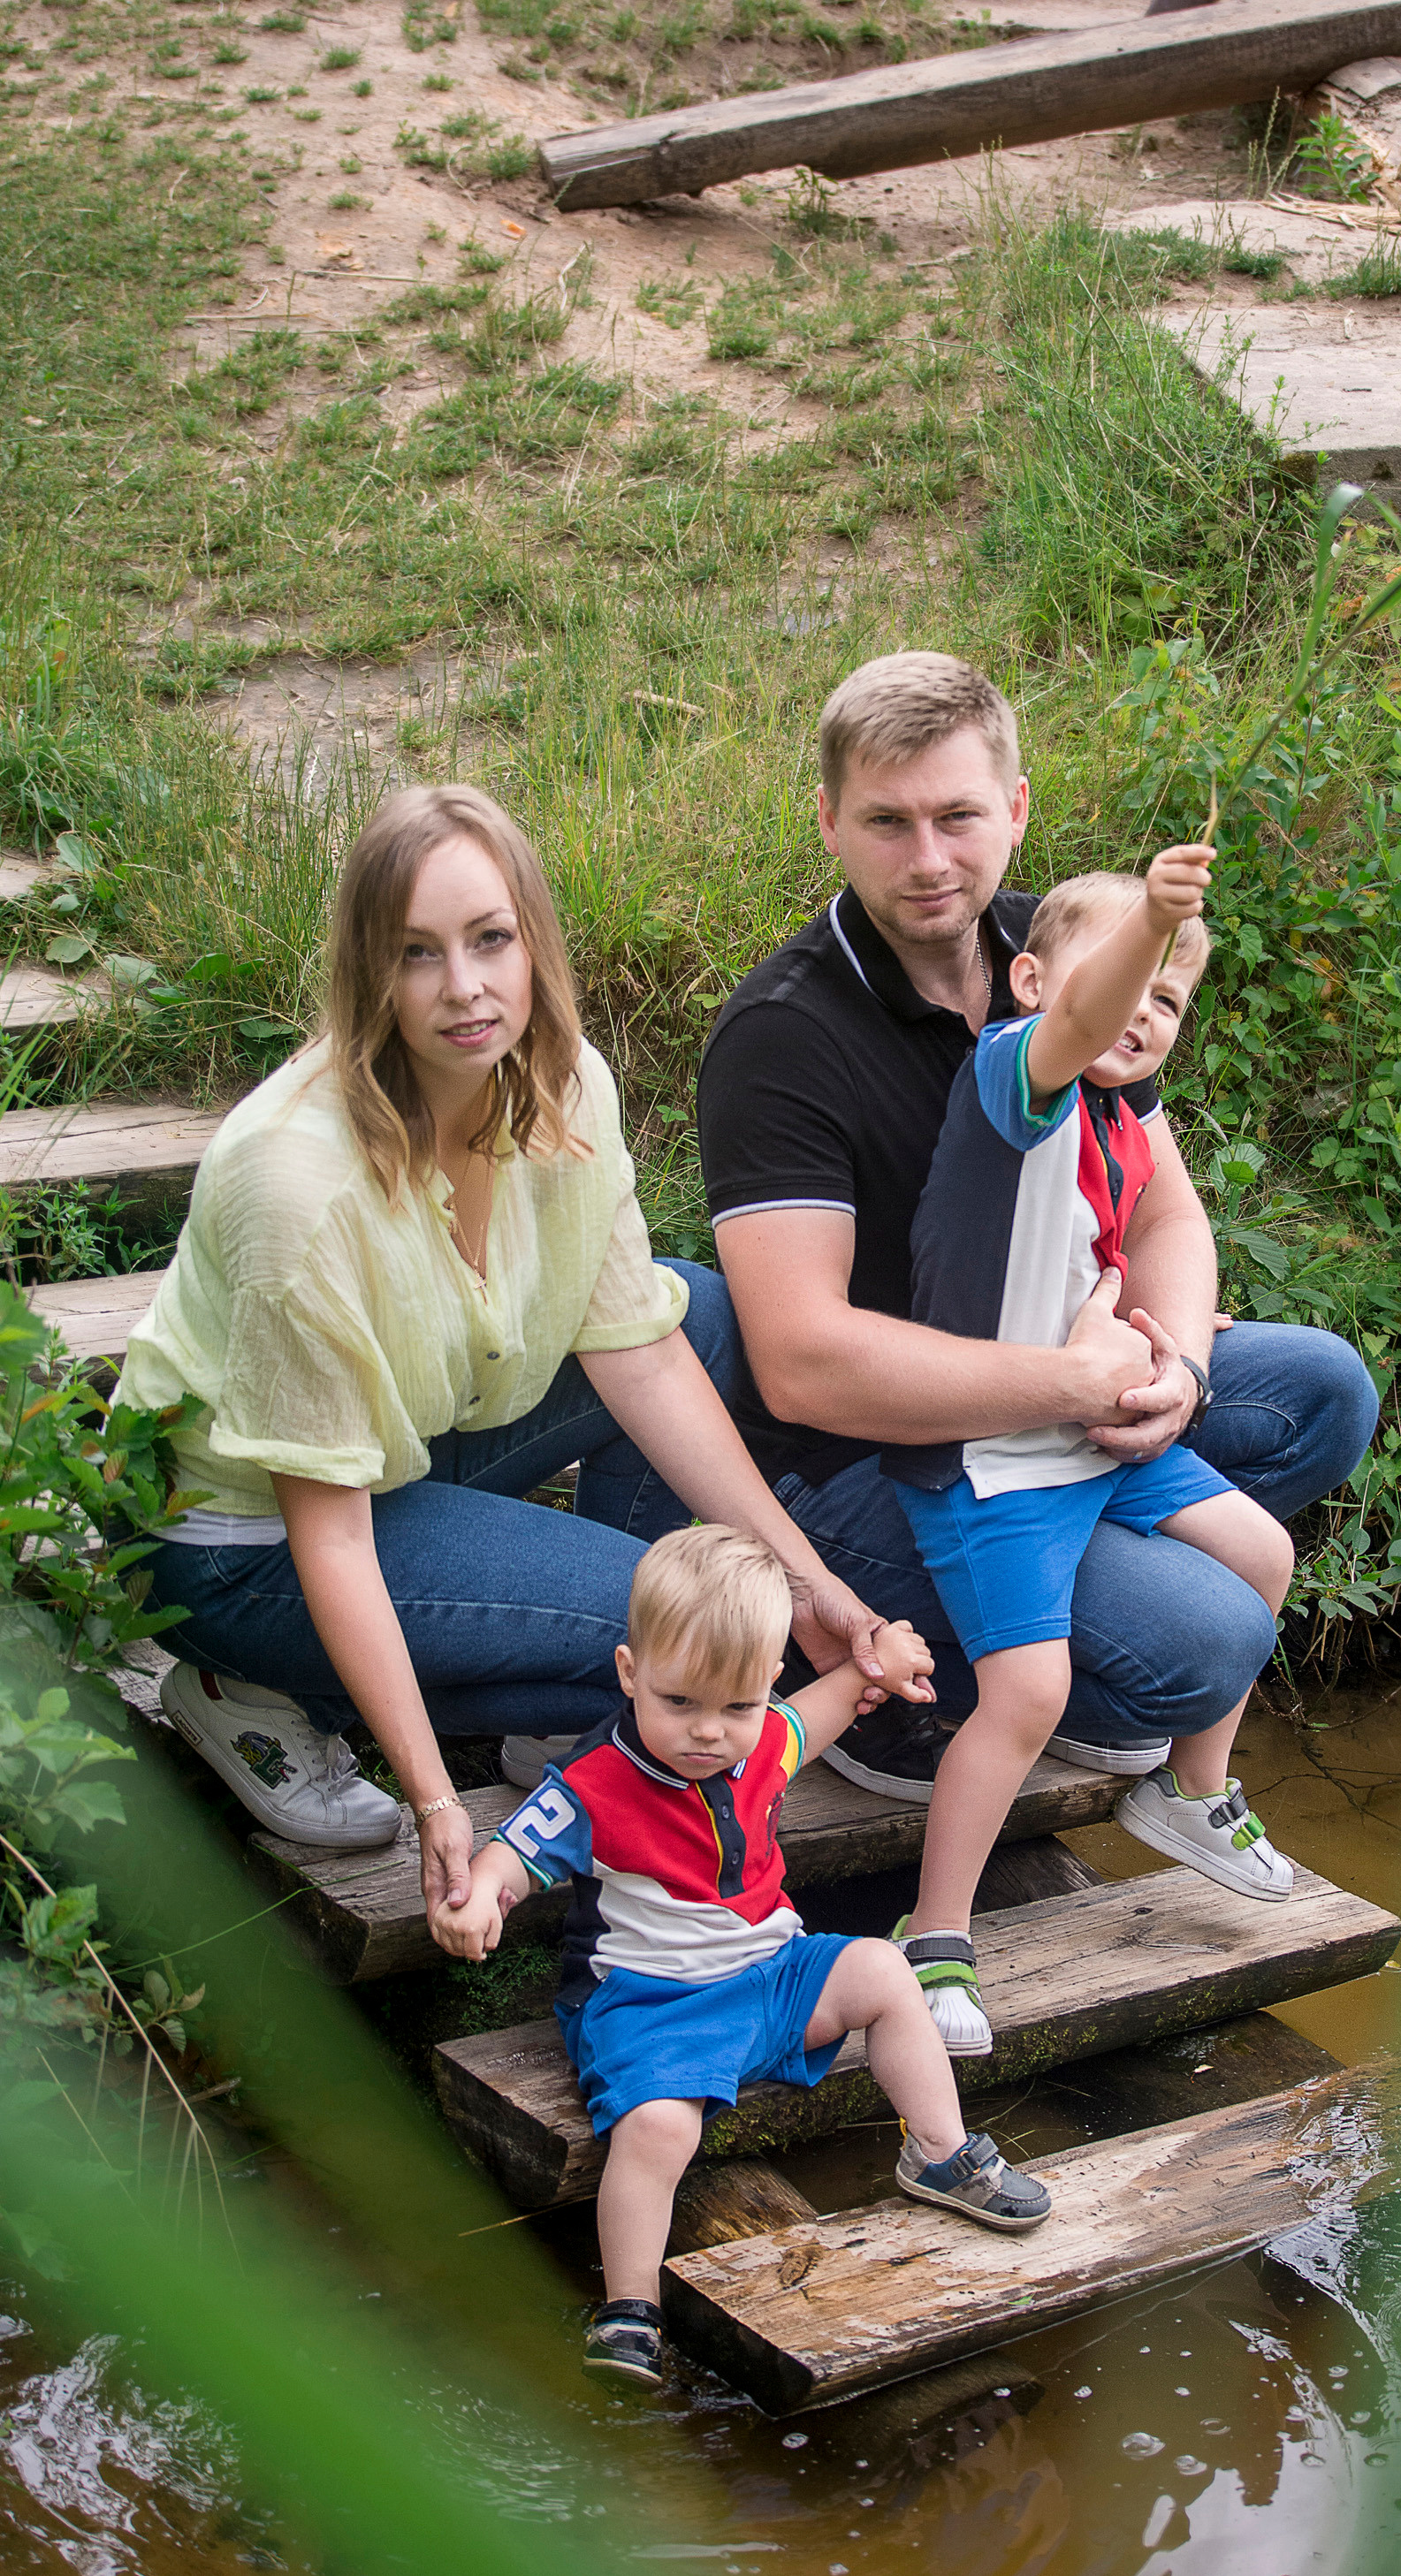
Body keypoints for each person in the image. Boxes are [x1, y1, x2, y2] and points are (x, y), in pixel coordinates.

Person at [118, 786, 893, 1933]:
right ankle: (257, 1681)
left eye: (490, 939)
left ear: (533, 935)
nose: (466, 988)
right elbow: (327, 1529)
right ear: (367, 974)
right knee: (687, 1657)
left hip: (400, 1446)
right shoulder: (298, 1186)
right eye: (416, 954)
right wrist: (436, 1801)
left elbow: (645, 1359)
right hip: (249, 1541)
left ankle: (574, 1692)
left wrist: (805, 1583)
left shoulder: (564, 1087)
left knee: (705, 1320)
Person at [696, 651, 1379, 1820]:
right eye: (886, 822)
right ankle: (916, 1704)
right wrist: (1066, 1383)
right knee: (1210, 1641)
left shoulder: (1057, 945)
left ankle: (1041, 1633)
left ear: (1015, 809)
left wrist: (1182, 1370)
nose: (928, 860)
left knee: (1320, 1388)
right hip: (873, 1464)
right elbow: (802, 1364)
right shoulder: (782, 1036)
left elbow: (1162, 1207)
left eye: (958, 816)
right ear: (828, 821)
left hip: (1057, 1392)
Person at [432, 1524, 1054, 2387]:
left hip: (770, 1974)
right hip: (651, 2004)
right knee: (654, 2128)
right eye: (677, 1702)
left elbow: (827, 1704)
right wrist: (477, 1899)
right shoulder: (590, 1785)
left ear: (765, 1683)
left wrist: (880, 1658)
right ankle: (629, 2311)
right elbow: (514, 1852)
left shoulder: (764, 1736)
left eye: (734, 1707)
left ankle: (938, 2152)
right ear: (628, 1674)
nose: (705, 1734)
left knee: (883, 1971)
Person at [881, 865, 1295, 2053]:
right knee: (1031, 1693)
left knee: (1261, 1551)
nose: (1141, 1015)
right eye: (1123, 984)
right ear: (1030, 981)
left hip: (1095, 1434)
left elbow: (1127, 1247)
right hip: (991, 1455)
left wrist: (1163, 1349)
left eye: (1167, 1000)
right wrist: (1154, 922)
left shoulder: (1121, 1113)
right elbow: (1080, 1019)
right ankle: (936, 1937)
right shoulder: (1014, 1079)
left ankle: (1192, 1790)